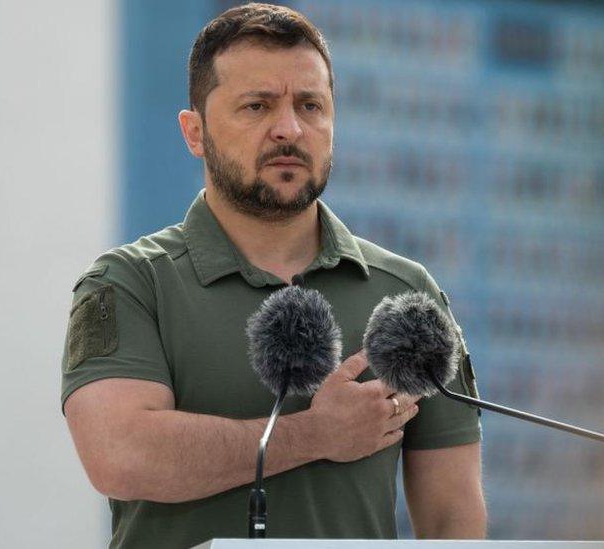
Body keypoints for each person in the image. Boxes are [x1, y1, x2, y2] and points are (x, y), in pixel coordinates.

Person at [60, 3, 485, 548]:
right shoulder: (129, 284)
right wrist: (313, 435)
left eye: (310, 106)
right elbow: (121, 456)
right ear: (195, 132)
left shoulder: (405, 294)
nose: (289, 129)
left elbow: (453, 517)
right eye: (257, 106)